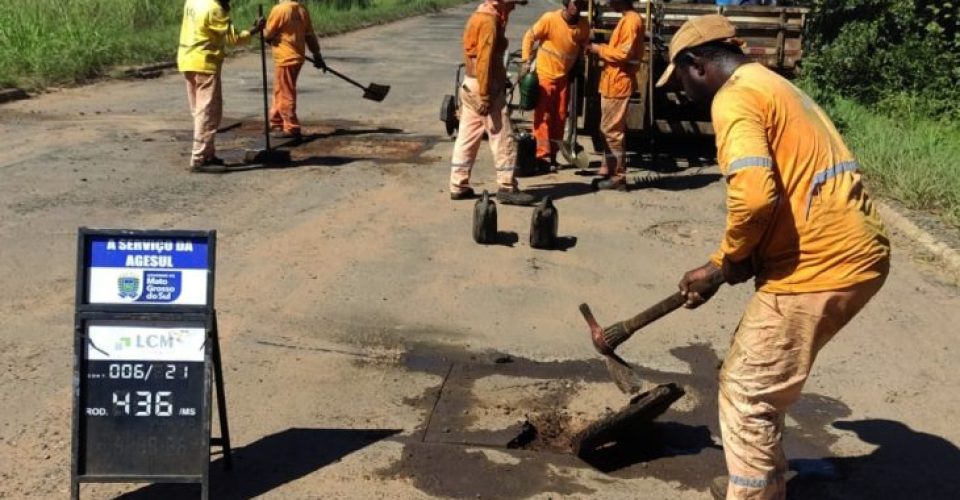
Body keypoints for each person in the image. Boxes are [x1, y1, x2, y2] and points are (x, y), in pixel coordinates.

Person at [657, 14, 890, 500]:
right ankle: (766, 482)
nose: (682, 91)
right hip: (851, 252)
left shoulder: (734, 97)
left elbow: (755, 197)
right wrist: (744, 257)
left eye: (678, 79)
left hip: (821, 263)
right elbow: (785, 186)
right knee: (760, 380)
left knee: (747, 389)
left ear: (696, 64)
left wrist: (720, 264)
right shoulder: (771, 85)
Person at [449, 0, 537, 205]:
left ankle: (458, 185)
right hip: (484, 87)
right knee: (504, 137)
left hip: (470, 84)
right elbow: (484, 60)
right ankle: (507, 187)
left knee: (467, 137)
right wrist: (486, 95)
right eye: (513, 3)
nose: (514, 8)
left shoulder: (479, 15)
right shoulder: (489, 22)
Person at [177, 0, 264, 170]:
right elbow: (235, 39)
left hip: (187, 60)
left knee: (200, 111)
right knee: (208, 112)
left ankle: (207, 153)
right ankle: (200, 158)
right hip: (204, 63)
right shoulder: (215, 10)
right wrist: (254, 30)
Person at [520, 0, 589, 171]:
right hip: (545, 76)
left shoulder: (583, 26)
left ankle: (552, 155)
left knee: (559, 118)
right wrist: (526, 61)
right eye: (574, 2)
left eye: (581, 3)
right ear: (566, 3)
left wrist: (580, 64)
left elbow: (583, 47)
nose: (577, 6)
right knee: (543, 117)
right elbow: (529, 36)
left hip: (563, 78)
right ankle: (541, 156)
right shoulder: (550, 19)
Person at [585, 0, 643, 190]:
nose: (609, 3)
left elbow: (623, 54)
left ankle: (618, 176)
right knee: (608, 130)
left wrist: (598, 49)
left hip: (618, 83)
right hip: (613, 82)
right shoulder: (627, 19)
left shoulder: (631, 21)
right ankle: (611, 170)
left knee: (612, 132)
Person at [264, 0, 326, 140]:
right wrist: (317, 56)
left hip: (285, 58)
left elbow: (268, 35)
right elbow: (310, 36)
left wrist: (260, 28)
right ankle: (276, 122)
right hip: (297, 57)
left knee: (285, 92)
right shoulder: (302, 9)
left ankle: (291, 127)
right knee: (280, 90)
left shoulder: (279, 10)